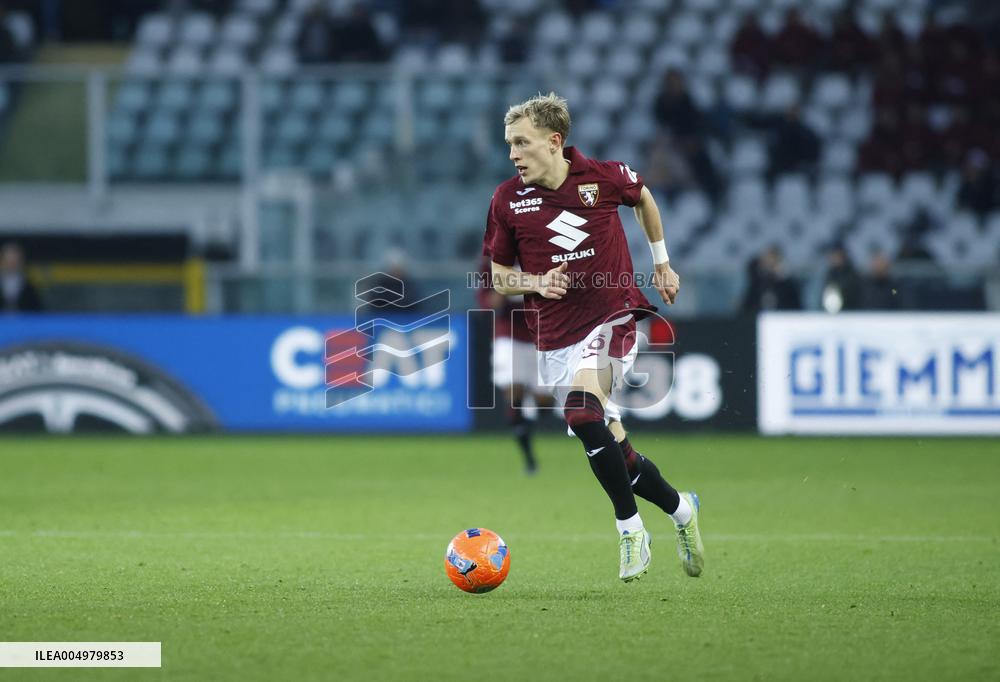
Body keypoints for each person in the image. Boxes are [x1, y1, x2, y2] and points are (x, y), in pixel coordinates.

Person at [482, 93, 703, 583]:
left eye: (522, 142)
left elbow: (643, 196)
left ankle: (630, 530)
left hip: (614, 316)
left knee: (582, 410)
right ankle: (683, 510)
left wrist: (661, 261)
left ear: (554, 142)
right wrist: (535, 283)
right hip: (555, 338)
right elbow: (498, 276)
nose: (513, 153)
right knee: (615, 450)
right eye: (509, 144)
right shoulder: (507, 201)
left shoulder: (602, 178)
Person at [475, 255, 554, 474]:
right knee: (513, 392)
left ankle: (529, 417)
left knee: (544, 401)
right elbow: (484, 293)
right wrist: (490, 301)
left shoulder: (541, 246)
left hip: (542, 332)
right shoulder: (495, 255)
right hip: (508, 332)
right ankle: (529, 459)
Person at [1, 242, 43, 312]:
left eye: (15, 261)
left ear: (21, 262)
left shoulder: (30, 287)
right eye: (8, 261)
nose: (11, 265)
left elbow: (37, 311)